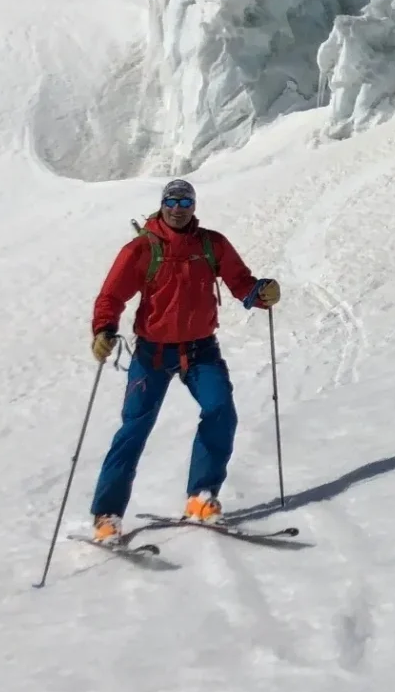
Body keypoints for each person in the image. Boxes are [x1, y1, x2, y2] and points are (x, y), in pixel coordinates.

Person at [87, 179, 278, 542]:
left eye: (185, 201)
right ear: (162, 205)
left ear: (194, 205)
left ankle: (201, 497)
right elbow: (111, 295)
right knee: (134, 430)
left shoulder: (211, 244)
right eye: (172, 201)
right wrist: (103, 330)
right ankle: (107, 515)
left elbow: (240, 282)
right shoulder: (142, 249)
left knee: (221, 409)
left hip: (200, 350)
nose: (178, 207)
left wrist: (260, 293)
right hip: (152, 353)